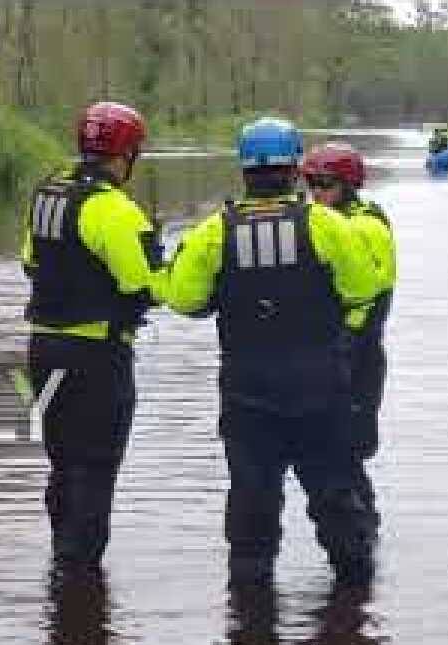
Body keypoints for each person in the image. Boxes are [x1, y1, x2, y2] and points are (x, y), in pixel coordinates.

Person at [151, 117, 380, 587]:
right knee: (335, 494)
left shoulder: (213, 232)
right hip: (319, 386)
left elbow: (182, 299)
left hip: (247, 391)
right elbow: (364, 289)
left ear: (244, 171)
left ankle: (250, 628)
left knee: (252, 501)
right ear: (295, 168)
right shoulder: (328, 225)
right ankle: (355, 617)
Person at [21, 101, 158, 567]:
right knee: (96, 471)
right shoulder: (114, 210)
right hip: (97, 358)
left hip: (41, 352)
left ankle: (62, 574)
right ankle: (81, 582)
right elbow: (141, 286)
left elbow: (30, 262)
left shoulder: (46, 197)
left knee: (62, 464)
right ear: (126, 154)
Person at [300, 143, 396, 516]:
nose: (316, 194)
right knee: (334, 450)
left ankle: (363, 535)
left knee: (349, 448)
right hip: (331, 352)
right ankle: (360, 544)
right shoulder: (321, 222)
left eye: (324, 185)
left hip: (359, 353)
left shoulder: (368, 227)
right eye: (311, 185)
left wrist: (340, 340)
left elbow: (371, 295)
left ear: (348, 185)